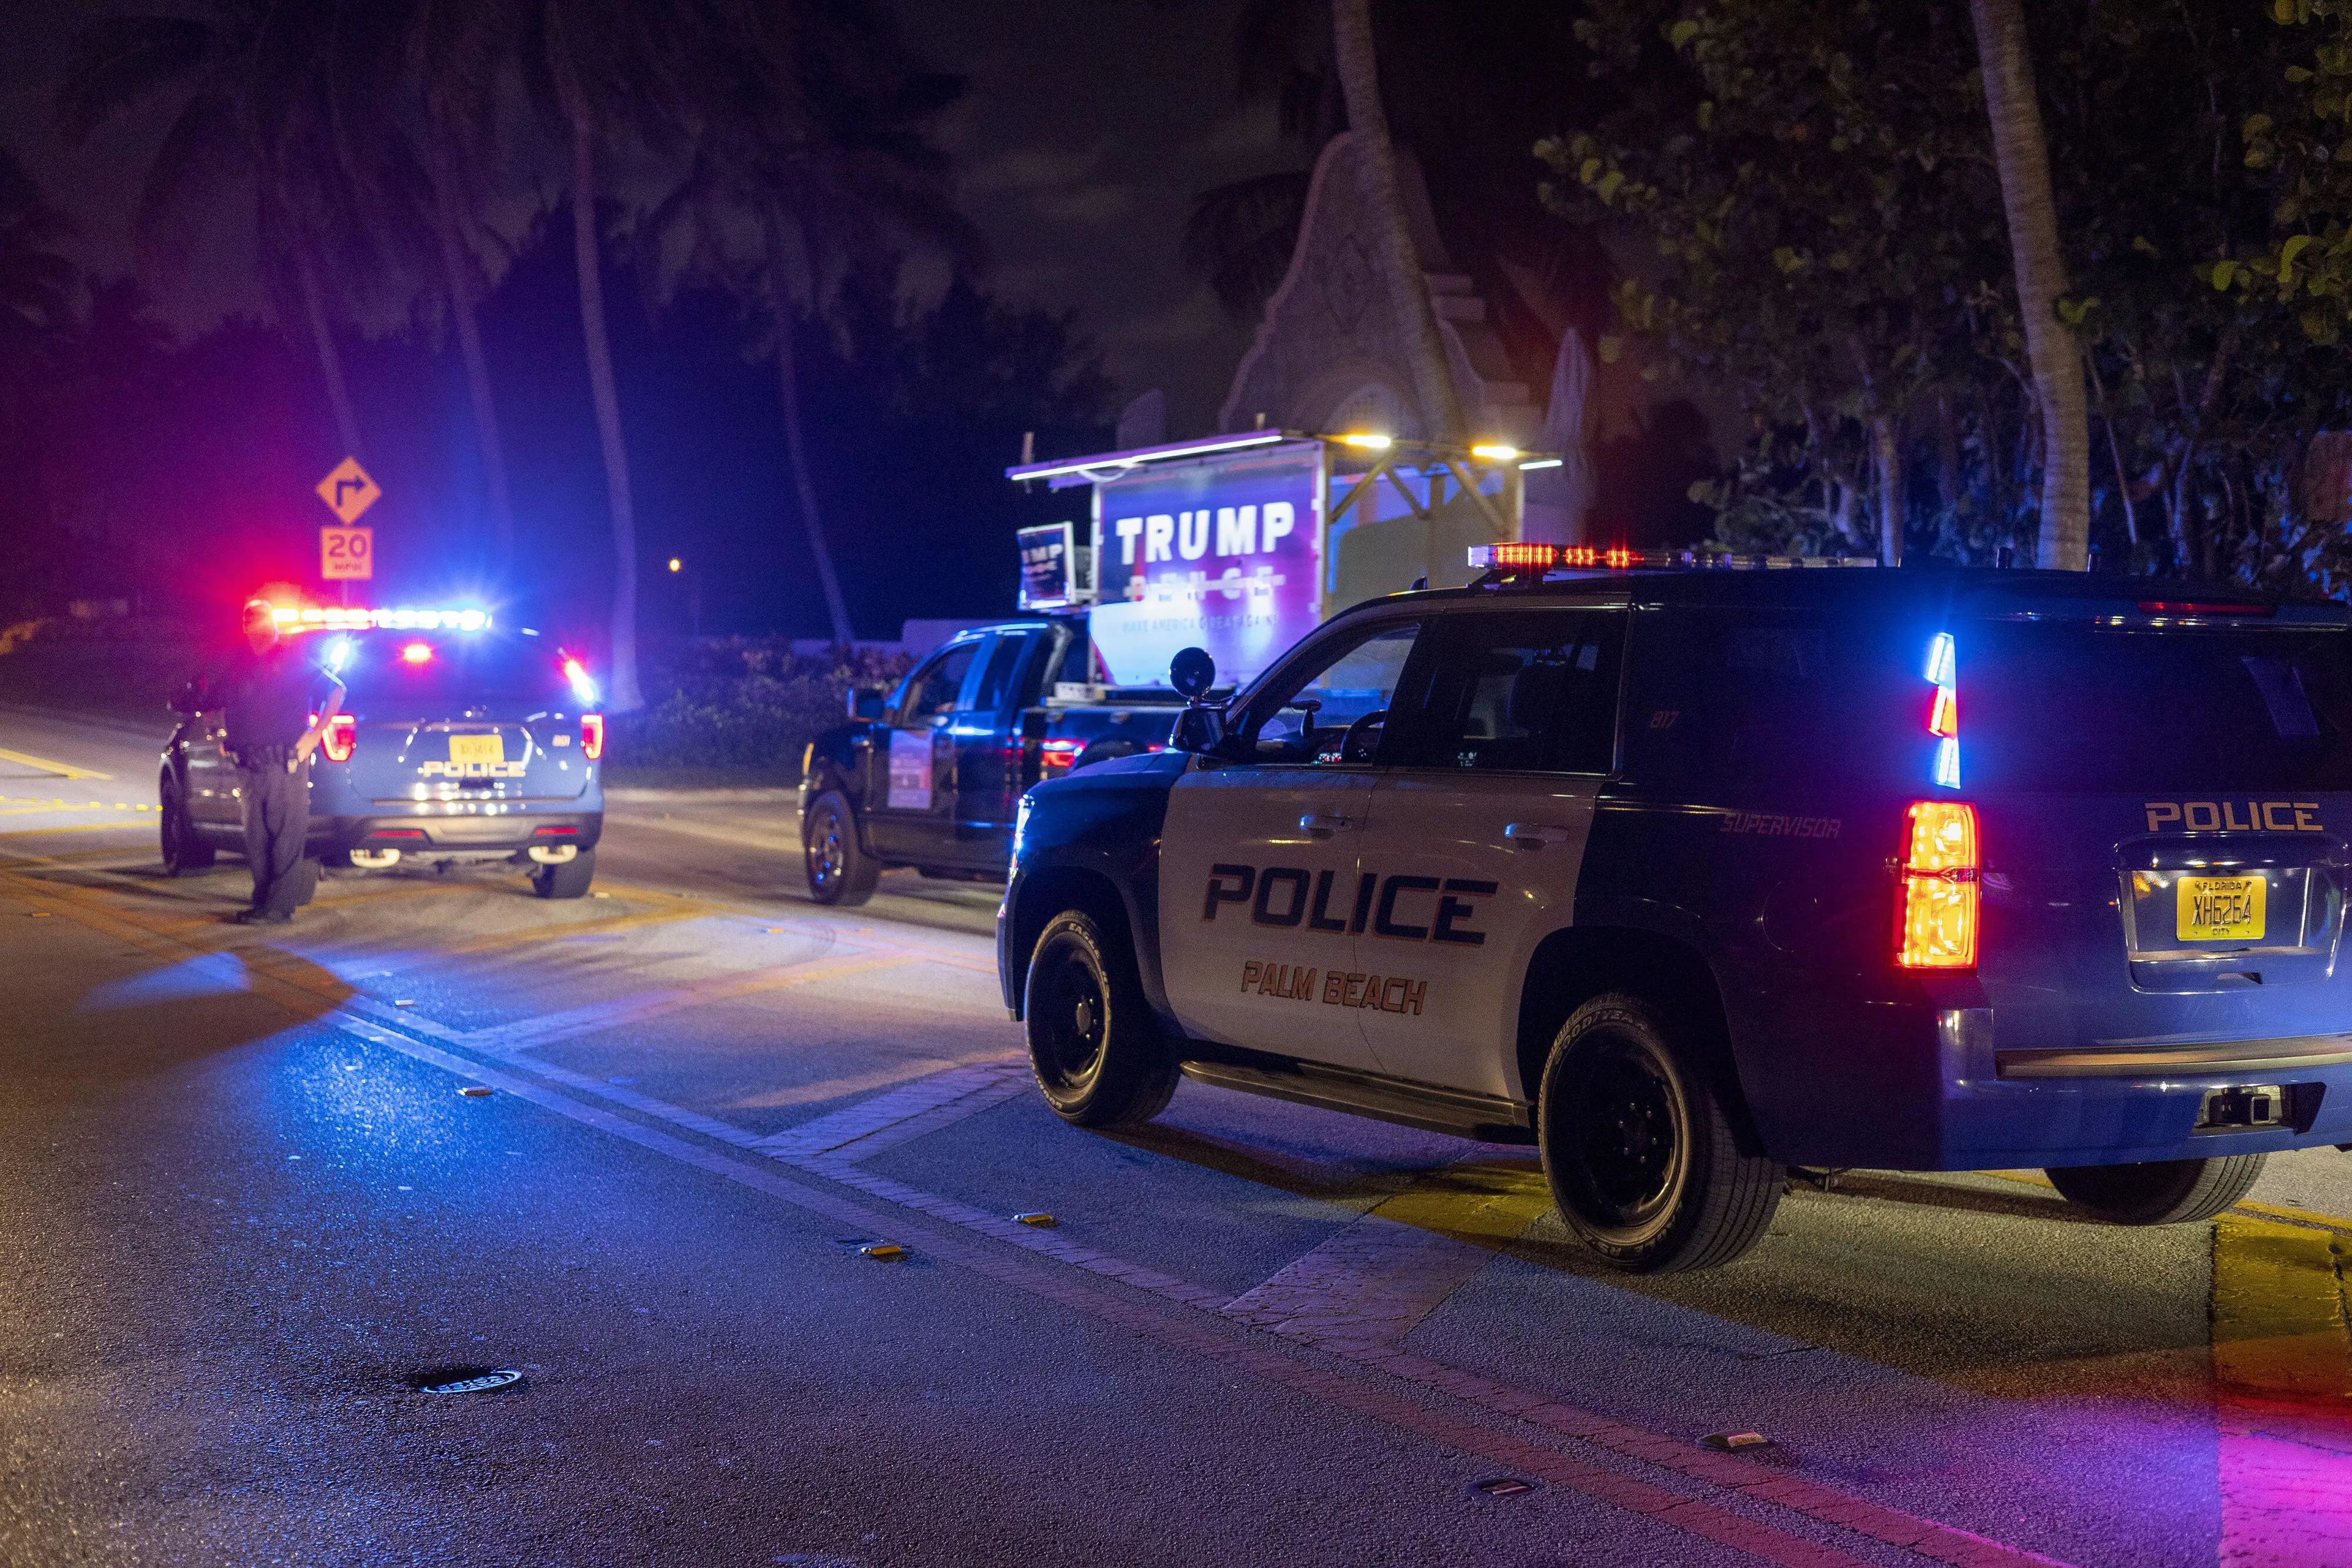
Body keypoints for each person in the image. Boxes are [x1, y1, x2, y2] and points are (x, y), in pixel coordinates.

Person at [186, 600, 346, 924]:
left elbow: (337, 690)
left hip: (284, 763)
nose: (256, 628)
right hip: (248, 765)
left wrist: (314, 737)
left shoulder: (294, 659)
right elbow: (212, 703)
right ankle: (263, 902)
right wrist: (218, 732)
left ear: (273, 625)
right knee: (257, 840)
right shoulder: (237, 663)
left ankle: (278, 907)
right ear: (245, 627)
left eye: (262, 622)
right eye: (250, 622)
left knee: (285, 838)